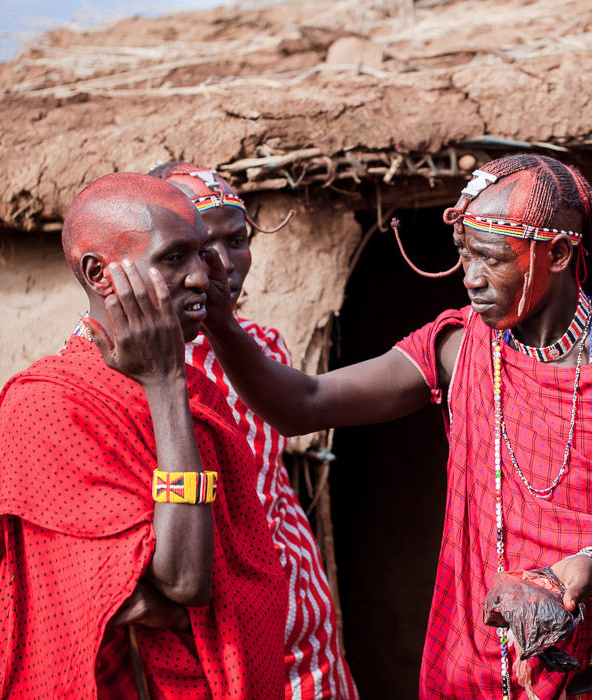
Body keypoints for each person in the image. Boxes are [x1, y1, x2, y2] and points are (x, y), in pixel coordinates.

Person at [198, 154, 592, 699]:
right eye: (463, 255)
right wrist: (220, 321)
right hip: (472, 671)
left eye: (490, 259)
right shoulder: (460, 346)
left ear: (559, 253)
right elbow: (304, 402)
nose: (470, 279)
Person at [0, 172, 288, 698]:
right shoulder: (47, 406)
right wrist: (165, 384)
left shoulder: (199, 390)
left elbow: (208, 583)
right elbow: (189, 583)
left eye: (201, 255)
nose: (200, 278)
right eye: (173, 258)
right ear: (100, 274)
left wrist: (177, 593)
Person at [149, 161, 359, 700]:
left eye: (236, 238)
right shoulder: (145, 371)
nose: (222, 261)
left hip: (303, 608)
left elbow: (271, 481)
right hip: (216, 627)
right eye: (197, 244)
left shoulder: (264, 350)